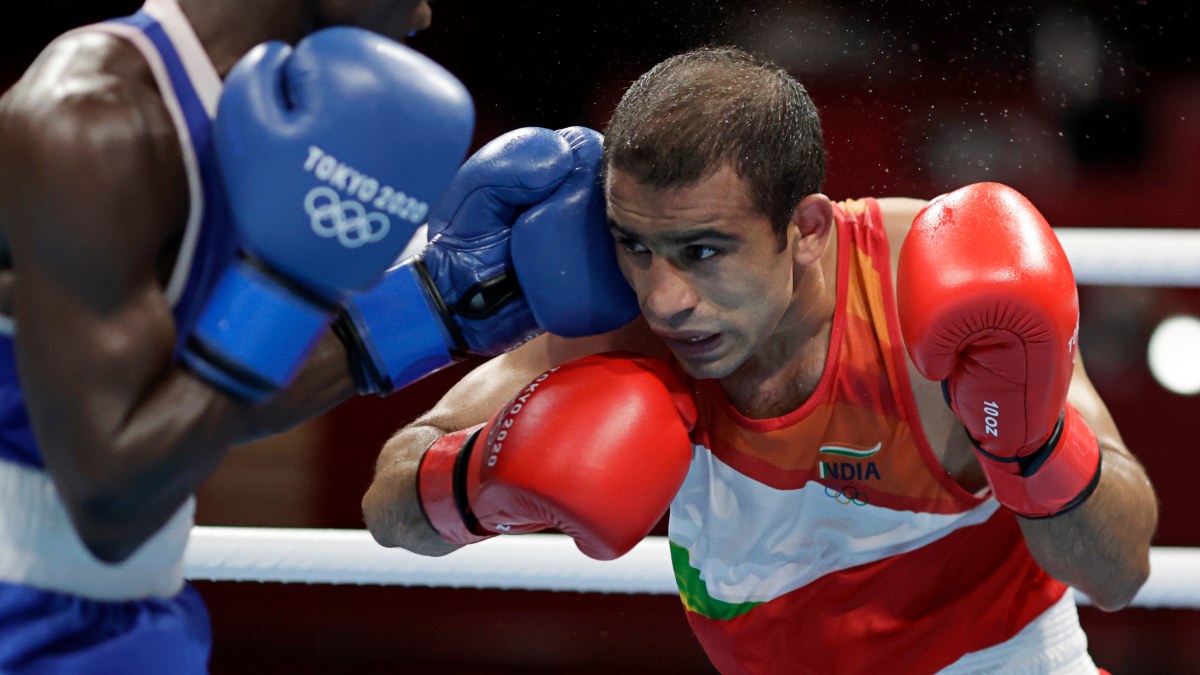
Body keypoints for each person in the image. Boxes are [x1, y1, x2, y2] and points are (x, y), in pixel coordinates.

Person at [361, 46, 1160, 673]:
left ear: (807, 228)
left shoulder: (927, 286)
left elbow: (1119, 572)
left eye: (703, 250)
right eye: (635, 245)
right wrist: (474, 483)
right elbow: (389, 498)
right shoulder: (626, 319)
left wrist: (1034, 442)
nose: (665, 295)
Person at [0, 0, 630, 671]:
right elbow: (112, 502)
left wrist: (431, 307)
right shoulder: (93, 119)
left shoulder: (243, 123)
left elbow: (181, 411)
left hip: (138, 609)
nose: (424, 9)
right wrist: (289, 287)